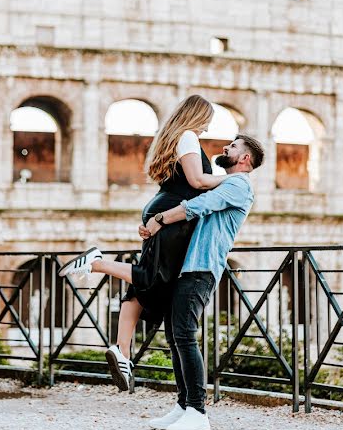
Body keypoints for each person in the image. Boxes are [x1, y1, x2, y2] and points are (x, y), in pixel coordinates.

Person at [58, 95, 232, 392]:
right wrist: (231, 179)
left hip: (160, 211)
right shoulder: (188, 137)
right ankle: (96, 262)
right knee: (152, 277)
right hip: (172, 218)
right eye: (206, 120)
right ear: (196, 116)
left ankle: (122, 352)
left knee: (143, 285)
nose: (206, 128)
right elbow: (197, 180)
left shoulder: (173, 137)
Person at [142, 133, 264, 430]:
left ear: (245, 158)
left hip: (202, 266)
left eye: (233, 147)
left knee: (184, 334)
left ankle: (197, 411)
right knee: (174, 333)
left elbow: (198, 205)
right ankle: (183, 405)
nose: (225, 148)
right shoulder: (228, 182)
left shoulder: (238, 184)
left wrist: (160, 218)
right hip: (190, 264)